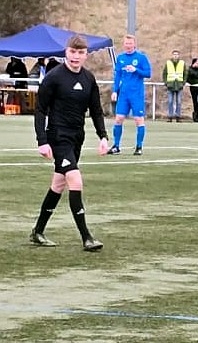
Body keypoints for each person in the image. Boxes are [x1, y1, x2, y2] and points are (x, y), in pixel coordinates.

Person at [30, 35, 109, 251]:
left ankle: (38, 231)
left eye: (80, 52)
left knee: (58, 184)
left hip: (76, 138)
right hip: (58, 137)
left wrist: (103, 136)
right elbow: (40, 110)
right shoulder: (54, 77)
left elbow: (96, 110)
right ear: (66, 52)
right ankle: (87, 238)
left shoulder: (88, 79)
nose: (76, 56)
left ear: (86, 55)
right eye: (72, 52)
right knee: (75, 180)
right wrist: (42, 141)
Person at [110, 34, 151, 155]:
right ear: (124, 44)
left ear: (134, 44)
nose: (128, 46)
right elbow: (117, 75)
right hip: (123, 94)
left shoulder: (141, 57)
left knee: (138, 120)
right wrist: (115, 91)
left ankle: (139, 146)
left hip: (136, 94)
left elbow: (148, 73)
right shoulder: (120, 58)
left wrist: (136, 70)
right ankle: (116, 146)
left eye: (130, 43)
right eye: (126, 43)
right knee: (118, 119)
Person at [162, 49, 186, 122]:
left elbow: (185, 73)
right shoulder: (168, 63)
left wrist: (183, 82)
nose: (175, 56)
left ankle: (178, 116)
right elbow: (164, 73)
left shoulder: (182, 63)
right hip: (170, 85)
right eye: (174, 54)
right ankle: (170, 116)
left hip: (179, 85)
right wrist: (166, 82)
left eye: (177, 54)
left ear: (179, 55)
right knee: (170, 101)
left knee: (179, 102)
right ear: (172, 55)